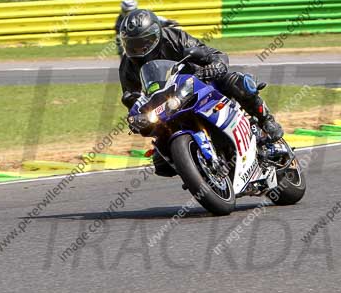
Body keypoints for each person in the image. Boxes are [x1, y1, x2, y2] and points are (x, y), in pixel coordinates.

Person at [118, 9, 284, 177]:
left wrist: (215, 65)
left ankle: (266, 120)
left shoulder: (174, 38)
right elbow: (133, 100)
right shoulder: (127, 66)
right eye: (131, 44)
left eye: (142, 43)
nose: (137, 49)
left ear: (155, 36)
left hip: (200, 83)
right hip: (166, 105)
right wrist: (136, 119)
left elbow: (212, 54)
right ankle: (201, 169)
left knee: (237, 83)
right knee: (161, 163)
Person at [114, 0, 178, 55]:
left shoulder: (140, 15)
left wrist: (166, 21)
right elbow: (120, 37)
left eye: (132, 11)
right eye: (127, 12)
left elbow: (153, 18)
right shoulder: (120, 22)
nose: (129, 14)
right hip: (129, 44)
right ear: (123, 11)